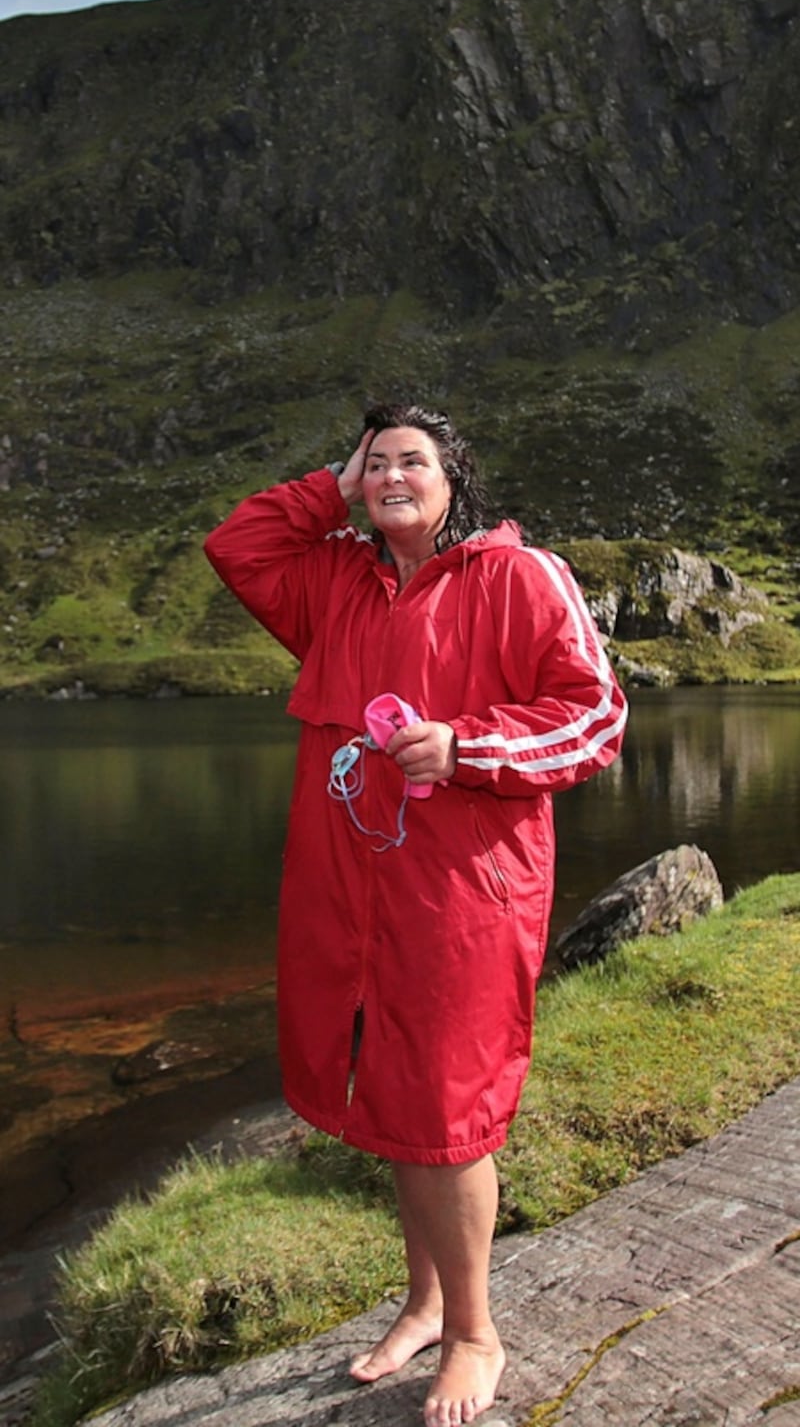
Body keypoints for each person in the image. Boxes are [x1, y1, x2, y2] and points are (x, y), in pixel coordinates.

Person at [204, 403, 627, 1427]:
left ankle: (478, 1334)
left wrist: (470, 749)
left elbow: (594, 713)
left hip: (462, 895)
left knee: (445, 1116)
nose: (391, 475)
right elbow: (237, 545)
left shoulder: (518, 576)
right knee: (396, 1099)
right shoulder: (334, 582)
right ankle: (426, 1304)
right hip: (346, 892)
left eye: (412, 462)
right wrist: (330, 488)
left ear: (452, 479)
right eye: (373, 462)